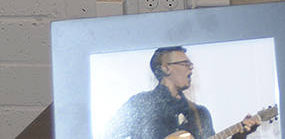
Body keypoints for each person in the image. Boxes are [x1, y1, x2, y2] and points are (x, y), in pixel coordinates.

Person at [104, 47, 259, 139]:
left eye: (190, 65)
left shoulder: (199, 113)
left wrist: (240, 135)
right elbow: (108, 135)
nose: (191, 69)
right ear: (166, 68)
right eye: (185, 64)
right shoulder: (140, 104)